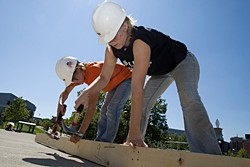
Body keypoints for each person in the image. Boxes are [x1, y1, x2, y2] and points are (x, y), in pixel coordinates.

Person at [74, 1, 222, 155]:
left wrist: (133, 131)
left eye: (114, 35)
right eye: (108, 38)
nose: (112, 41)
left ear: (125, 25)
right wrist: (86, 93)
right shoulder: (111, 49)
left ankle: (208, 154)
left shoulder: (140, 41)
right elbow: (104, 77)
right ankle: (136, 146)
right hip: (160, 72)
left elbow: (137, 87)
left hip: (182, 62)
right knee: (143, 104)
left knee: (188, 97)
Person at [55, 56, 132, 143]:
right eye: (72, 80)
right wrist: (60, 104)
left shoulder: (93, 72)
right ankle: (99, 140)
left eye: (74, 79)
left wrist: (80, 133)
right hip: (114, 83)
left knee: (112, 108)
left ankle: (106, 141)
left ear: (79, 68)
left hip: (126, 79)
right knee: (104, 111)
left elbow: (91, 108)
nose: (75, 82)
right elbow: (66, 92)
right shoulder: (80, 76)